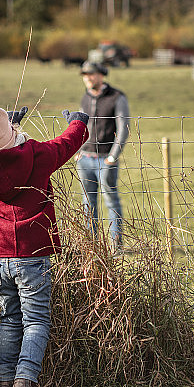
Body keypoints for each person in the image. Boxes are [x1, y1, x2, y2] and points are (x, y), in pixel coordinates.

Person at [0, 105, 89, 387]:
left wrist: (7, 130)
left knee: (10, 318)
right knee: (36, 319)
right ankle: (25, 383)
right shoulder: (37, 155)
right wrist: (78, 121)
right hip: (31, 253)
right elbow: (68, 142)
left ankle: (4, 384)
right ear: (10, 139)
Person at [76, 61, 130, 250]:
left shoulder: (117, 97)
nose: (88, 78)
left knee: (111, 201)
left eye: (91, 74)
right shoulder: (85, 98)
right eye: (85, 74)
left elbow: (123, 130)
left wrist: (112, 157)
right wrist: (78, 151)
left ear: (101, 75)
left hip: (105, 159)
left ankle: (117, 246)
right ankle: (92, 247)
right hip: (85, 160)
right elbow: (80, 128)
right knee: (87, 204)